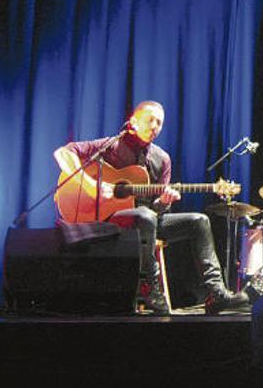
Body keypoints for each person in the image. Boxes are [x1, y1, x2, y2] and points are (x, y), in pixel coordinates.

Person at [54, 100, 251, 314]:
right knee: (145, 216)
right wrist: (92, 186)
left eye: (159, 123)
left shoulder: (162, 159)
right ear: (133, 121)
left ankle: (217, 293)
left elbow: (157, 212)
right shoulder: (110, 146)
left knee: (198, 221)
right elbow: (63, 153)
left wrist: (164, 202)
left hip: (145, 220)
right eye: (150, 120)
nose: (155, 126)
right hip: (109, 219)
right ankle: (149, 288)